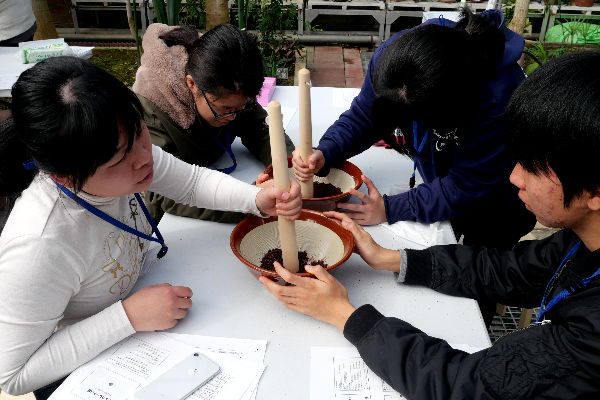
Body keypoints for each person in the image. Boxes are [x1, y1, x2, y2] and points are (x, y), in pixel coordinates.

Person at [261, 50, 600, 398]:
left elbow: (466, 386)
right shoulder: (581, 242)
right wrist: (388, 258)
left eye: (533, 166)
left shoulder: (590, 334)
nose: (514, 177)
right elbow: (510, 268)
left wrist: (345, 315)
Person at [0, 56, 301, 398]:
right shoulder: (40, 246)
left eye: (140, 131)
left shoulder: (124, 146)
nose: (145, 157)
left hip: (150, 312)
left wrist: (257, 199)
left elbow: (188, 181)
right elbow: (12, 375)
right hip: (88, 369)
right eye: (119, 160)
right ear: (64, 177)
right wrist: (128, 317)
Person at [292, 9, 535, 248]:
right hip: (450, 182)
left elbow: (468, 185)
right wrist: (326, 151)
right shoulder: (396, 56)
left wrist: (390, 208)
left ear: (445, 106)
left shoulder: (498, 100)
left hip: (496, 202)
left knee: (477, 262)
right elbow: (366, 117)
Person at [132, 23, 294, 224]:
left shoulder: (229, 76)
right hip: (171, 223)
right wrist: (249, 199)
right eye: (224, 109)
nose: (233, 116)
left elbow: (259, 128)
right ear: (192, 84)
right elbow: (166, 193)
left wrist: (287, 168)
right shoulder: (152, 110)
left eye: (241, 107)